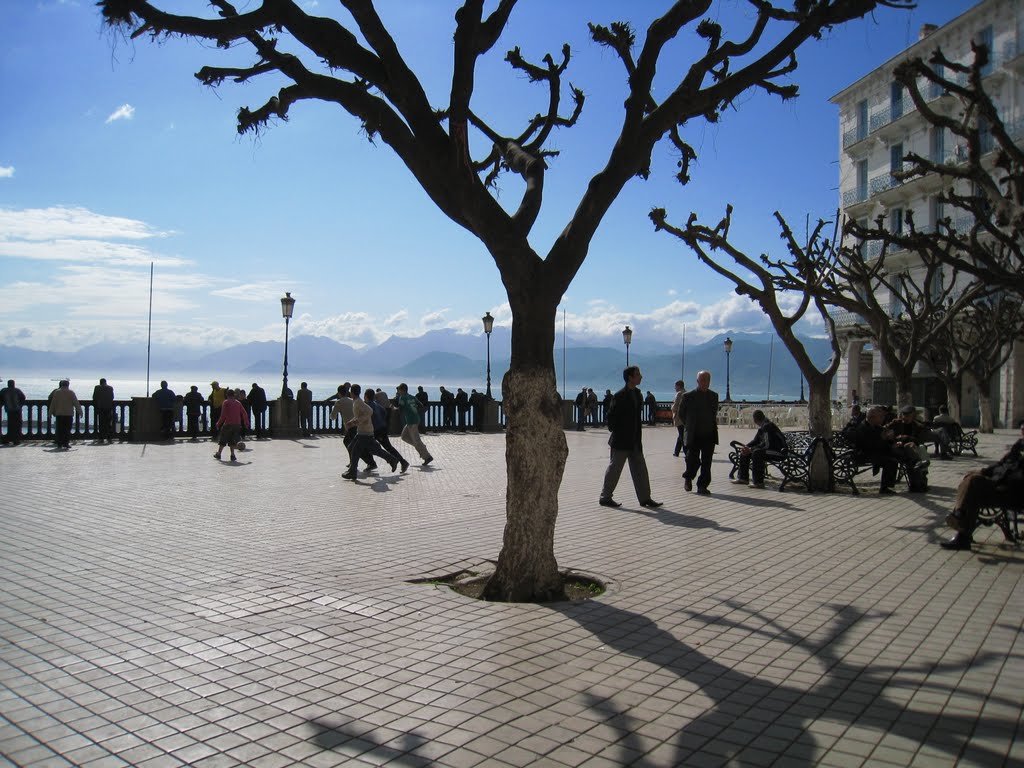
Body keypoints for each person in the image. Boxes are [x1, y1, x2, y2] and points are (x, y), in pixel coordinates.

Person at [941, 419, 1024, 551]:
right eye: (1022, 429)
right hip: (999, 485)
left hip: (1012, 491)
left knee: (975, 482)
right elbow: (1001, 464)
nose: (1022, 432)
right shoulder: (1019, 445)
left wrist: (1002, 480)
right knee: (971, 479)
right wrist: (983, 471)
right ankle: (963, 534)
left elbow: (1017, 476)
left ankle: (959, 518)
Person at [599, 366, 661, 509]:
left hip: (634, 440)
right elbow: (611, 417)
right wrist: (617, 431)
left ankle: (645, 498)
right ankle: (605, 497)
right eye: (638, 374)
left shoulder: (638, 394)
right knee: (615, 469)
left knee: (641, 469)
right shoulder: (620, 395)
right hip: (621, 440)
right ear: (630, 378)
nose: (641, 377)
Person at [342, 384, 397, 480]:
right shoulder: (356, 402)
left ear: (352, 392)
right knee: (372, 450)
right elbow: (360, 414)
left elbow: (369, 411)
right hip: (362, 431)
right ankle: (392, 459)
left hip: (365, 431)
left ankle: (352, 472)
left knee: (355, 450)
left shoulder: (359, 402)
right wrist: (353, 421)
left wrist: (357, 421)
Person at [680, 370, 719, 495]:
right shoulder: (688, 396)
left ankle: (703, 485)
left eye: (707, 380)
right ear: (697, 381)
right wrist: (689, 425)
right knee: (693, 460)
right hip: (694, 435)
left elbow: (713, 413)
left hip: (709, 434)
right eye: (702, 380)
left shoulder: (714, 396)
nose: (705, 382)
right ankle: (688, 477)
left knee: (707, 462)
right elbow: (681, 413)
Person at [852, 406, 900, 494]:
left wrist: (891, 440)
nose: (883, 418)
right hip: (864, 455)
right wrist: (883, 438)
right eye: (880, 416)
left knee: (897, 454)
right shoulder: (862, 427)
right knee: (891, 461)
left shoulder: (876, 426)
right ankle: (884, 488)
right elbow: (869, 445)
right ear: (872, 417)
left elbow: (882, 439)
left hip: (875, 453)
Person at [734, 409, 787, 488]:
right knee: (745, 452)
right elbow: (755, 441)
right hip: (770, 450)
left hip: (779, 451)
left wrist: (751, 450)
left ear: (755, 419)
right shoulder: (762, 427)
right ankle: (743, 478)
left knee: (757, 453)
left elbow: (767, 445)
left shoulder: (767, 426)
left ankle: (758, 482)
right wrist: (746, 447)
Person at [888, 405, 929, 492]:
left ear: (913, 416)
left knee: (918, 448)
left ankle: (920, 473)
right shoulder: (896, 423)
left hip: (912, 448)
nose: (905, 418)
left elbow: (920, 440)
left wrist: (908, 438)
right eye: (904, 415)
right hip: (898, 448)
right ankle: (921, 467)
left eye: (908, 416)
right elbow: (885, 431)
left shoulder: (918, 426)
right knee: (914, 457)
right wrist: (894, 440)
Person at [366, 389, 409, 472]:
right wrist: (382, 421)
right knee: (382, 447)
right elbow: (384, 412)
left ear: (365, 396)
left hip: (377, 430)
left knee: (381, 447)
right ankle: (401, 462)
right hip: (381, 428)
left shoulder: (368, 405)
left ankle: (399, 461)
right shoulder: (376, 404)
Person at [397, 383, 433, 465]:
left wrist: (394, 408)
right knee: (404, 437)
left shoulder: (402, 397)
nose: (398, 391)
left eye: (399, 390)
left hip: (411, 421)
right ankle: (421, 447)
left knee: (416, 440)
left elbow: (400, 409)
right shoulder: (412, 397)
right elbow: (421, 405)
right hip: (415, 419)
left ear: (402, 390)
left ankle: (427, 457)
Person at [213, 389, 249, 462]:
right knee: (232, 440)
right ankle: (232, 455)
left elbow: (223, 415)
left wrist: (218, 423)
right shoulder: (238, 403)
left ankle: (219, 454)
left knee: (223, 439)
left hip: (228, 423)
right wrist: (246, 423)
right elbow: (244, 413)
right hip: (237, 424)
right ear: (234, 395)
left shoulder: (226, 402)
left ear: (227, 395)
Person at [49, 380, 82, 450]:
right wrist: (80, 411)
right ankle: (66, 443)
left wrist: (50, 413)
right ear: (68, 385)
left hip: (59, 414)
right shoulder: (71, 392)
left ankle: (59, 443)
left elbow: (53, 403)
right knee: (67, 429)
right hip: (68, 414)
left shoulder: (57, 392)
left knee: (59, 429)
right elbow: (76, 403)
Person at [1, 379, 26, 445]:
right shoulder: (17, 390)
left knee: (10, 425)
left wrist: (4, 403)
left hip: (9, 410)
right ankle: (16, 440)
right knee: (17, 425)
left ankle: (8, 439)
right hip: (17, 410)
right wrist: (20, 405)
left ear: (8, 384)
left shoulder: (4, 391)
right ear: (14, 384)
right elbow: (23, 398)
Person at [92, 378, 115, 443]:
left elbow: (94, 397)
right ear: (105, 382)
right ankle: (109, 438)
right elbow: (112, 397)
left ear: (100, 382)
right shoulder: (110, 388)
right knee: (109, 423)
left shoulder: (97, 388)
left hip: (100, 408)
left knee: (101, 423)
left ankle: (101, 438)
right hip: (108, 407)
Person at [670, 380, 685, 457]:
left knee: (682, 435)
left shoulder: (679, 394)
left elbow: (675, 406)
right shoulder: (686, 393)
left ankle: (686, 452)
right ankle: (676, 452)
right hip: (685, 418)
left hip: (679, 418)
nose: (675, 388)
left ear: (679, 386)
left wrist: (672, 407)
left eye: (675, 386)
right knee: (681, 434)